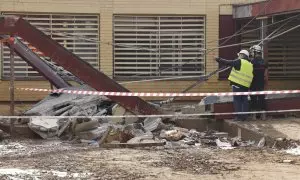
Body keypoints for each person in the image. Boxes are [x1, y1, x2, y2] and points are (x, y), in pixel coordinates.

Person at [215, 50, 253, 121]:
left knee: (237, 101)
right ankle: (244, 117)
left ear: (241, 55)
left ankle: (238, 117)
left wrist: (218, 59)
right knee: (244, 100)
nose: (238, 56)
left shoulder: (239, 61)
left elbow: (228, 62)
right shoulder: (249, 64)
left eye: (239, 55)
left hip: (237, 85)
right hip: (246, 85)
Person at [249, 45, 268, 120]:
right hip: (261, 83)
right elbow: (266, 75)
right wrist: (266, 85)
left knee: (253, 99)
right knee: (261, 98)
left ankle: (253, 116)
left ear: (255, 52)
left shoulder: (251, 62)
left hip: (253, 83)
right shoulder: (264, 62)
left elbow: (249, 74)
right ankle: (263, 116)